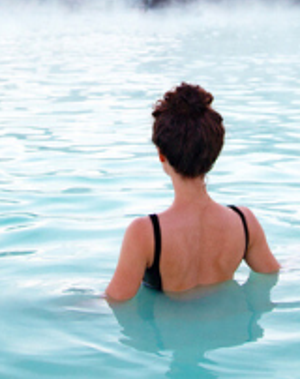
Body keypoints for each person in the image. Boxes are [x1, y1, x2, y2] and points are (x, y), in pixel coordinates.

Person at [107, 83, 277, 301]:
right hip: (229, 333)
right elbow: (271, 273)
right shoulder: (244, 222)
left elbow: (115, 301)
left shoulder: (145, 234)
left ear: (161, 155)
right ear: (215, 153)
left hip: (168, 332)